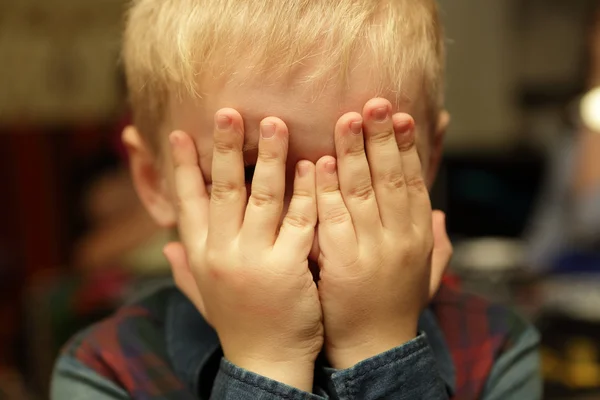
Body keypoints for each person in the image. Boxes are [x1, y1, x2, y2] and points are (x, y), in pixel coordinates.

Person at [51, 1, 541, 398]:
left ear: (426, 163)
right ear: (155, 180)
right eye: (248, 173)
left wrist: (379, 348)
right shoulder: (106, 370)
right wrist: (267, 363)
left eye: (363, 169)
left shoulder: (496, 349)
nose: (305, 227)